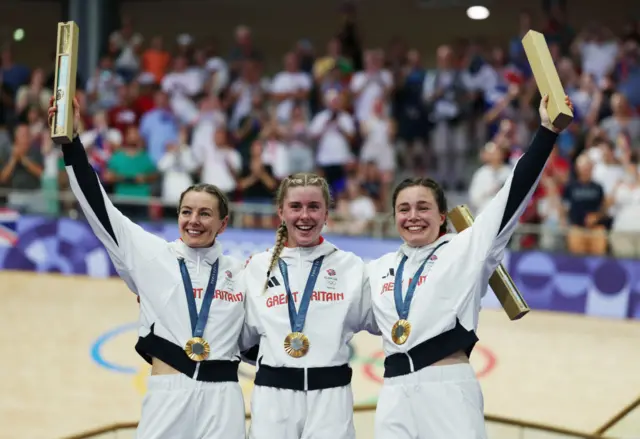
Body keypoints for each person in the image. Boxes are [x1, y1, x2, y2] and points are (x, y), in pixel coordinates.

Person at [368, 94, 574, 439]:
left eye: (423, 208)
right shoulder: (377, 268)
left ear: (442, 216)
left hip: (448, 389)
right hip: (392, 393)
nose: (413, 216)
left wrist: (547, 132)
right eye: (404, 209)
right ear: (393, 217)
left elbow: (513, 194)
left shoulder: (466, 248)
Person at [47, 97, 246, 439]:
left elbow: (260, 339)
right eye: (187, 212)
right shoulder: (152, 254)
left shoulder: (241, 273)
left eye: (204, 214)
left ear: (223, 223)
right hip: (168, 393)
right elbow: (100, 208)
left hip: (224, 396)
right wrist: (72, 143)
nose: (193, 221)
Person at [239, 172, 379, 439]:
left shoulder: (350, 266)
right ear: (281, 212)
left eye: (314, 207)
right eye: (295, 207)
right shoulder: (256, 268)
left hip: (331, 399)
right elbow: (238, 332)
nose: (305, 216)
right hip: (273, 399)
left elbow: (385, 316)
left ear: (327, 213)